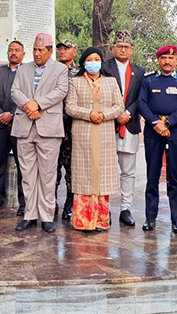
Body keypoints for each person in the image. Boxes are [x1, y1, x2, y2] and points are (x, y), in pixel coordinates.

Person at [11, 33, 69, 233]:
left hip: (48, 127)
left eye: (41, 50)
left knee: (47, 174)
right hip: (25, 126)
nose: (36, 54)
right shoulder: (23, 69)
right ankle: (30, 214)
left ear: (50, 51)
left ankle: (46, 216)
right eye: (35, 49)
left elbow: (61, 91)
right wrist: (29, 105)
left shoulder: (60, 69)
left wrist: (38, 104)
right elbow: (14, 91)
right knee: (27, 174)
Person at [64, 47, 125, 231]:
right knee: (84, 175)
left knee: (102, 175)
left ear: (101, 62)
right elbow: (70, 107)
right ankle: (83, 221)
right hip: (83, 133)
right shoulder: (75, 82)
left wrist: (103, 115)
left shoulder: (111, 82)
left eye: (97, 59)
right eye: (90, 59)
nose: (93, 62)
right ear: (84, 62)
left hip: (104, 133)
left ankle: (100, 221)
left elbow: (119, 106)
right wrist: (89, 114)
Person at [139, 44, 177, 234]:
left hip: (175, 131)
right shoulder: (148, 81)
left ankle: (176, 220)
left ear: (176, 59)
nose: (167, 61)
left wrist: (168, 123)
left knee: (174, 176)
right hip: (153, 131)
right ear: (158, 60)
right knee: (152, 175)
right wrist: (156, 123)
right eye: (163, 58)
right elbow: (142, 103)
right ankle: (150, 218)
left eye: (171, 58)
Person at [101, 30, 145, 227]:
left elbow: (141, 98)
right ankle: (105, 209)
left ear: (132, 50)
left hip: (130, 124)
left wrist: (127, 113)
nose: (122, 49)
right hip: (107, 125)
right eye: (119, 46)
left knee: (128, 170)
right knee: (106, 169)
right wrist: (115, 113)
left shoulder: (140, 72)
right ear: (113, 48)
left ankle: (126, 209)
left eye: (126, 47)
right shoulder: (103, 68)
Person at [0, 40, 26, 214]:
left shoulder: (27, 72)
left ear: (23, 54)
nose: (14, 53)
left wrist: (12, 113)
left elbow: (27, 97)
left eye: (17, 50)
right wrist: (0, 114)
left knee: (23, 165)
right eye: (11, 50)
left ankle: (24, 203)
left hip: (20, 124)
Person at [55, 39, 78, 221]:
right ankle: (51, 203)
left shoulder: (80, 73)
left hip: (72, 129)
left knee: (72, 169)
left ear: (75, 52)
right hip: (53, 128)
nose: (62, 51)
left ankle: (69, 205)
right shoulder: (50, 70)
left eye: (66, 48)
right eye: (60, 48)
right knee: (51, 169)